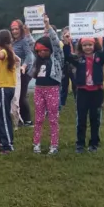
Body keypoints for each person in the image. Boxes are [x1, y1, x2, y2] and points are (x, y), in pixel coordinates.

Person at [63, 31, 104, 153]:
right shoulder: (79, 59)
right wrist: (66, 43)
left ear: (94, 45)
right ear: (81, 47)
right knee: (81, 119)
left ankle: (94, 143)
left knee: (95, 119)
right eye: (85, 45)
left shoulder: (99, 58)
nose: (88, 47)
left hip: (97, 92)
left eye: (90, 45)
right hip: (82, 92)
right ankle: (80, 143)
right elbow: (68, 56)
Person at [29, 15, 63, 155]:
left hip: (52, 90)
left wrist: (48, 26)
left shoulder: (56, 58)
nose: (42, 52)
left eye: (45, 50)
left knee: (53, 118)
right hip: (39, 90)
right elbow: (32, 43)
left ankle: (54, 145)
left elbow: (54, 41)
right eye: (39, 50)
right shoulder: (37, 59)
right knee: (38, 118)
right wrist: (26, 32)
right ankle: (36, 143)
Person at [10, 19, 35, 127]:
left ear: (21, 29)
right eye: (12, 29)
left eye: (16, 29)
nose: (14, 31)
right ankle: (20, 119)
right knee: (17, 96)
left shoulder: (24, 41)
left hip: (24, 72)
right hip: (16, 72)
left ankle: (28, 121)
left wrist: (24, 66)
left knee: (21, 96)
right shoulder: (12, 42)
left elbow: (29, 55)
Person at [59, 27, 77, 110]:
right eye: (65, 34)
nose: (67, 36)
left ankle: (77, 100)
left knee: (75, 84)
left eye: (69, 34)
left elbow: (77, 53)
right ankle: (62, 103)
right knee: (64, 84)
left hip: (73, 65)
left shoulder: (75, 42)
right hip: (64, 66)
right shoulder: (60, 44)